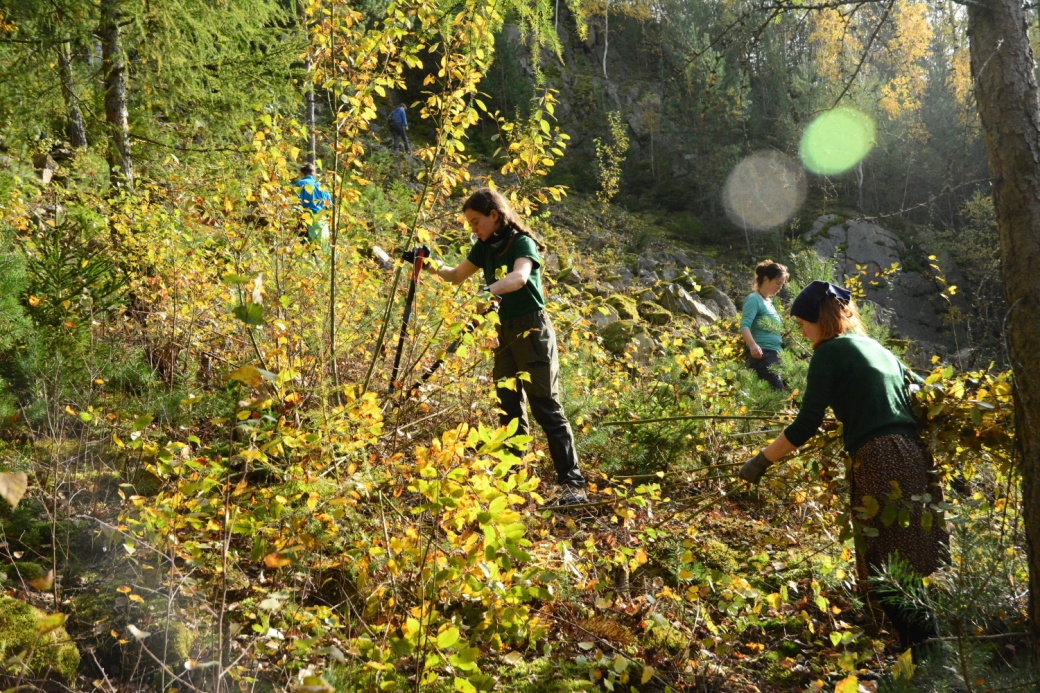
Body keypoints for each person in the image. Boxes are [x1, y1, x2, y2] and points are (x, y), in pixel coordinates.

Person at [739, 280, 948, 649]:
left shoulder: (829, 353)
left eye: (803, 324)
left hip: (880, 459)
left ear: (819, 320)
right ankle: (927, 649)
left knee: (885, 569)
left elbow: (806, 423)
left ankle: (926, 651)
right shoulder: (877, 348)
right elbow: (925, 392)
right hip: (914, 456)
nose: (802, 333)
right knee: (908, 560)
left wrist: (761, 461)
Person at [424, 188, 587, 505]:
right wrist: (426, 262)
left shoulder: (520, 242)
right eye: (469, 223)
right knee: (508, 404)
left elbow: (520, 277)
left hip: (532, 330)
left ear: (494, 216)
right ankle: (513, 480)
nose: (474, 228)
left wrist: (489, 291)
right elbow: (455, 275)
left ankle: (573, 485)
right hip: (502, 331)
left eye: (476, 221)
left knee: (545, 406)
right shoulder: (484, 247)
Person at [739, 260, 788, 391]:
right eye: (777, 283)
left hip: (777, 355)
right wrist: (753, 345)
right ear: (766, 279)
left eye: (782, 284)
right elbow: (744, 326)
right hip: (763, 355)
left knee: (790, 396)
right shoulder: (754, 299)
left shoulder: (769, 302)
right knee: (778, 395)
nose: (780, 287)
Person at [294, 163, 331, 243]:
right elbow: (329, 206)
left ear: (301, 173)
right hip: (322, 220)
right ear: (314, 174)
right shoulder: (323, 186)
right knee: (322, 247)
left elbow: (295, 203)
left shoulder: (300, 184)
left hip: (306, 219)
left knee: (305, 248)